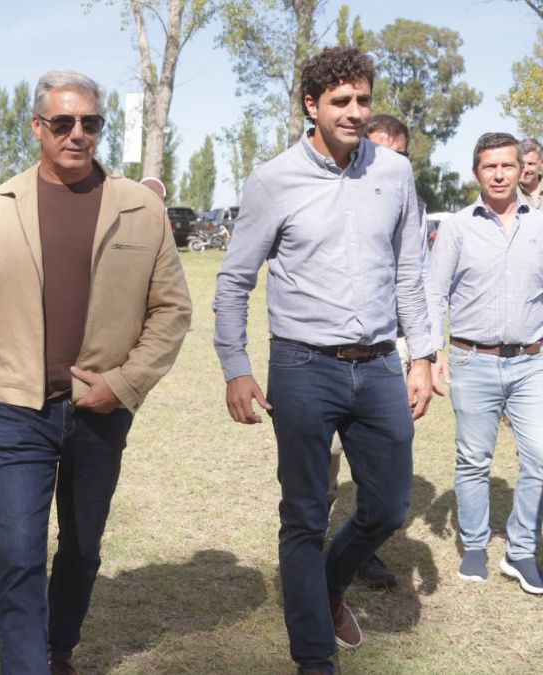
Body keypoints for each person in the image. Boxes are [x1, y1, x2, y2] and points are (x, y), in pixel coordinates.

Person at [0, 69, 192, 675]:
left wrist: (123, 385)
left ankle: (58, 650)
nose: (78, 133)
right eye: (63, 122)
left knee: (81, 550)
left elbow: (172, 311)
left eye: (90, 122)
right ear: (38, 127)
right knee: (17, 555)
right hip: (16, 413)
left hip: (100, 411)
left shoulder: (141, 208)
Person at [214, 47, 435, 675]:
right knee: (305, 517)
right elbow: (234, 281)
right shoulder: (273, 180)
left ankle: (326, 587)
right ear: (312, 105)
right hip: (303, 366)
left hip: (381, 364)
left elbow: (410, 271)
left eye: (363, 100)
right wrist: (236, 366)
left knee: (387, 507)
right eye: (341, 101)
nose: (355, 112)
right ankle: (315, 659)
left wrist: (422, 356)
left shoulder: (394, 173)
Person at [426, 132, 543, 594]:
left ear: (522, 170)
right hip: (472, 360)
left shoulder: (541, 224)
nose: (499, 174)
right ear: (476, 172)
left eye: (507, 165)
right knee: (474, 460)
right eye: (489, 166)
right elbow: (434, 292)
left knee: (540, 457)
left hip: (532, 363)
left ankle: (520, 550)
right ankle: (475, 545)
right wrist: (433, 352)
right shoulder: (457, 227)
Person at [323, 113, 424, 591]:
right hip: (327, 354)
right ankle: (313, 551)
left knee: (378, 464)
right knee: (324, 465)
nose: (389, 161)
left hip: (389, 350)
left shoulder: (409, 201)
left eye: (399, 154)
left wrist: (422, 354)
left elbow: (415, 278)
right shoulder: (335, 193)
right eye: (382, 149)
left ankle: (362, 554)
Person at [517, 137, 542, 208]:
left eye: (531, 164)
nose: (526, 170)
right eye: (522, 164)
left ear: (541, 164)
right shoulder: (509, 193)